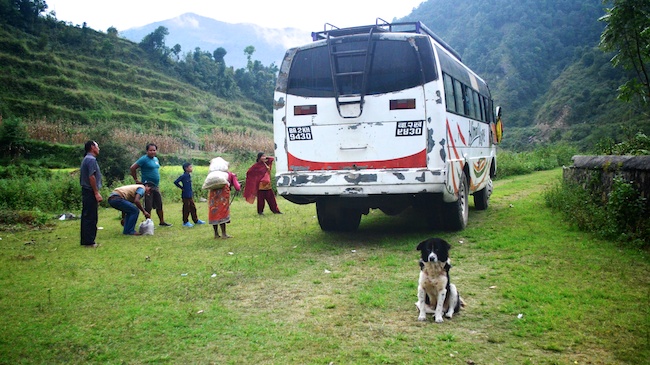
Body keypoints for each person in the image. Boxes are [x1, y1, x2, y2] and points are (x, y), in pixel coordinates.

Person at [130, 143, 172, 227]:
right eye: (150, 150)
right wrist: (136, 180)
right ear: (147, 151)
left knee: (159, 204)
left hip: (155, 185)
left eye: (154, 150)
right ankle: (149, 223)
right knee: (148, 205)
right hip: (147, 186)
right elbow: (133, 168)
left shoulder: (156, 159)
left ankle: (162, 221)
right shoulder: (143, 159)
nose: (152, 152)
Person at [80, 140, 103, 248]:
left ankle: (86, 240)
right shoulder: (91, 159)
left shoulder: (87, 159)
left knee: (87, 216)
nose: (99, 148)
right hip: (90, 191)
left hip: (87, 190)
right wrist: (96, 192)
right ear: (92, 147)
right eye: (97, 146)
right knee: (91, 217)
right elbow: (91, 177)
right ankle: (89, 242)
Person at [209, 170, 241, 238]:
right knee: (222, 212)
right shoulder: (230, 174)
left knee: (214, 212)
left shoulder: (213, 175)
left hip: (213, 196)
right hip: (222, 196)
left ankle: (216, 234)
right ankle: (224, 234)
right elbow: (237, 187)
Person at [174, 162, 205, 228]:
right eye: (190, 167)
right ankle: (185, 222)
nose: (191, 168)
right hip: (185, 195)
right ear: (186, 168)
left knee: (193, 208)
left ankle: (196, 220)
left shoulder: (188, 175)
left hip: (189, 195)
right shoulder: (183, 176)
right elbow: (176, 182)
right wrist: (182, 188)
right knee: (186, 208)